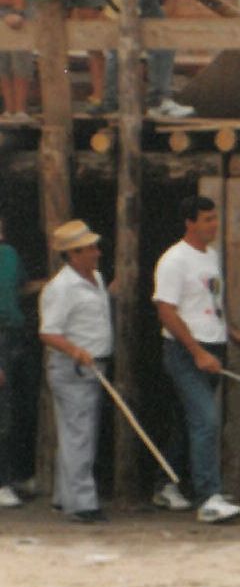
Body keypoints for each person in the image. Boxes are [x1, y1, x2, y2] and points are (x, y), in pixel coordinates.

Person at [152, 195, 240, 524]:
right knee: (207, 421)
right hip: (186, 351)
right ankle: (208, 497)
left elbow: (210, 305)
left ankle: (165, 485)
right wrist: (197, 352)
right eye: (207, 219)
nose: (214, 224)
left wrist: (233, 334)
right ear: (190, 222)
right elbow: (165, 310)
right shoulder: (174, 260)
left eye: (215, 218)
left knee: (190, 422)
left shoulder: (210, 256)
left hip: (213, 346)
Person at [37, 221, 114, 523]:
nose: (97, 252)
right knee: (79, 434)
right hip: (74, 368)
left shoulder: (95, 277)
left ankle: (63, 497)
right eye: (90, 248)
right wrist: (75, 351)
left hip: (93, 365)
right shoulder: (61, 287)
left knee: (75, 432)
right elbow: (48, 332)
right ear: (73, 254)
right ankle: (82, 503)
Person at [0, 223, 36, 505]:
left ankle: (15, 476)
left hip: (14, 335)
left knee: (18, 406)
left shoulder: (9, 255)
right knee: (3, 413)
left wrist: (53, 282)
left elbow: (20, 288)